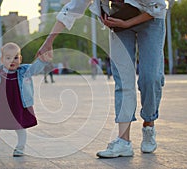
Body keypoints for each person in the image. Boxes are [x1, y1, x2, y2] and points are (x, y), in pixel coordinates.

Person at [36, 0, 167, 158]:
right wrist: (48, 42)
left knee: (150, 78)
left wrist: (128, 23)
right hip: (119, 21)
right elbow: (71, 10)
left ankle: (149, 123)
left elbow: (159, 7)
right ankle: (123, 141)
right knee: (123, 80)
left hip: (151, 19)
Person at [0, 42, 49, 160]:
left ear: (20, 58)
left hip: (18, 105)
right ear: (2, 60)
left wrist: (42, 61)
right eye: (8, 58)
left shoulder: (24, 71)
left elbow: (35, 68)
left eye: (15, 57)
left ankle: (20, 147)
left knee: (20, 128)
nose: (12, 61)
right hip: (0, 106)